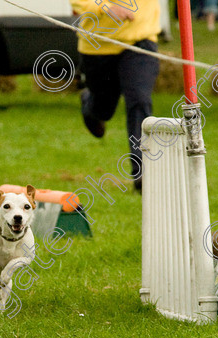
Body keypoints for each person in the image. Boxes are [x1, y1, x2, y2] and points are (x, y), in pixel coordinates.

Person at [72, 0, 161, 193]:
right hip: (97, 46)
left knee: (140, 100)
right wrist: (105, 7)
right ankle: (90, 105)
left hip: (141, 41)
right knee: (103, 109)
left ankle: (142, 173)